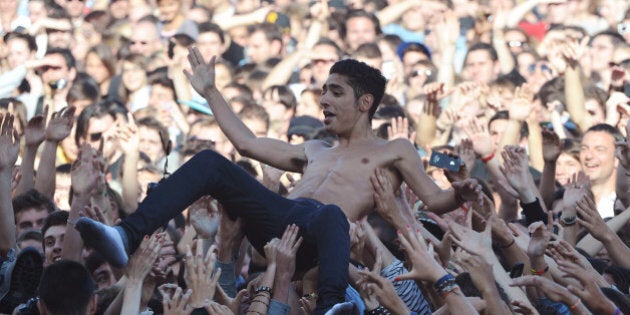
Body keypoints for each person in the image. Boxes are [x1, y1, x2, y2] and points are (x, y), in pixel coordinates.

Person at [75, 49, 481, 314]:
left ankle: (333, 306)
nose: (323, 100)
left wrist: (459, 191)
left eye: (335, 92)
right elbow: (247, 144)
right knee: (212, 162)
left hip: (323, 241)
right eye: (323, 91)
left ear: (365, 103)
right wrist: (212, 91)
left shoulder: (395, 149)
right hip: (277, 226)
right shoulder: (315, 149)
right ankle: (126, 234)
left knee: (332, 215)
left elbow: (434, 198)